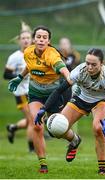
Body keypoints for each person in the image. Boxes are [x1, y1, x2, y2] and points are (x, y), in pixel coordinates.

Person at [35, 48, 105, 175]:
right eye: (87, 63)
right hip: (80, 99)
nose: (89, 67)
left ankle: (102, 169)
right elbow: (59, 90)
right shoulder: (79, 70)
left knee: (98, 128)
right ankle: (74, 140)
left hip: (100, 102)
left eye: (94, 64)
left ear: (102, 64)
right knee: (54, 129)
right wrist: (44, 108)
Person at [8, 25, 71, 173]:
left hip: (53, 95)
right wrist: (19, 77)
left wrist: (69, 78)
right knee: (36, 125)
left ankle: (74, 139)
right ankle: (43, 164)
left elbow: (63, 69)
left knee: (56, 130)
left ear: (49, 41)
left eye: (44, 38)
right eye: (38, 37)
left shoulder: (52, 55)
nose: (41, 40)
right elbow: (30, 67)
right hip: (35, 93)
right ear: (34, 39)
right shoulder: (28, 51)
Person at [3, 22, 34, 152]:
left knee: (31, 120)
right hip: (21, 93)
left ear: (32, 39)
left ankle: (13, 128)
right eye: (23, 38)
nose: (26, 40)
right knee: (33, 120)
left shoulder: (35, 54)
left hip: (34, 91)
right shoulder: (14, 57)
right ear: (19, 41)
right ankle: (31, 148)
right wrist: (20, 75)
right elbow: (6, 75)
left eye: (28, 38)